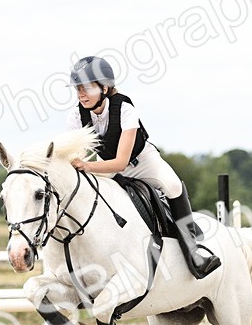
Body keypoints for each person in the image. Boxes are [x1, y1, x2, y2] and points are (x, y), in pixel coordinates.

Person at [65, 55, 220, 278]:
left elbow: (121, 162)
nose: (81, 93)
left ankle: (194, 252)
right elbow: (75, 157)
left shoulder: (126, 109)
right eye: (78, 88)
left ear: (105, 87)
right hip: (104, 165)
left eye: (87, 88)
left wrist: (86, 166)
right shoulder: (75, 117)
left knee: (173, 186)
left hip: (142, 161)